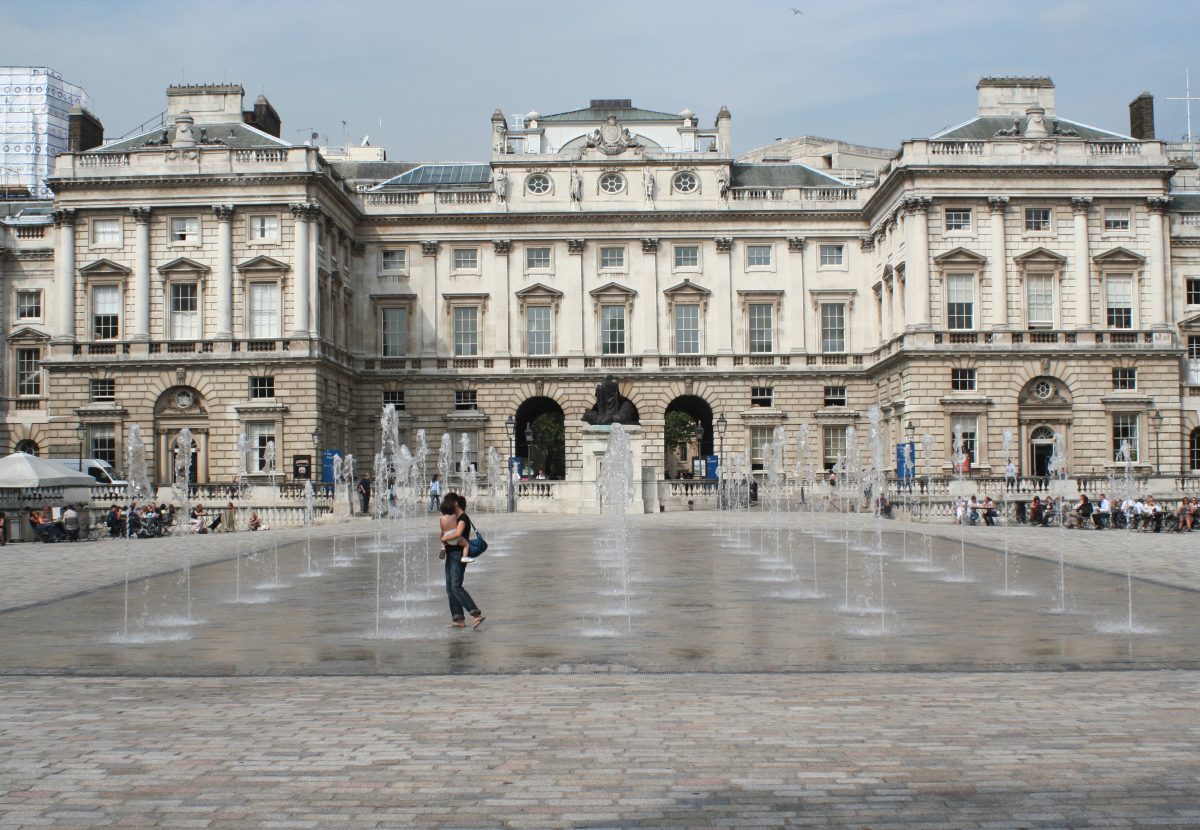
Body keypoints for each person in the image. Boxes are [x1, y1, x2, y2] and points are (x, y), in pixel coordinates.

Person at [437, 493, 484, 629]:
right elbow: (443, 535)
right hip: (450, 554)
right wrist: (442, 529)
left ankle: (476, 615)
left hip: (458, 554)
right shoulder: (453, 518)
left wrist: (445, 539)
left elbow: (458, 534)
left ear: (455, 503)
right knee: (450, 588)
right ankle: (458, 619)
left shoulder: (463, 518)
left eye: (448, 502)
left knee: (456, 586)